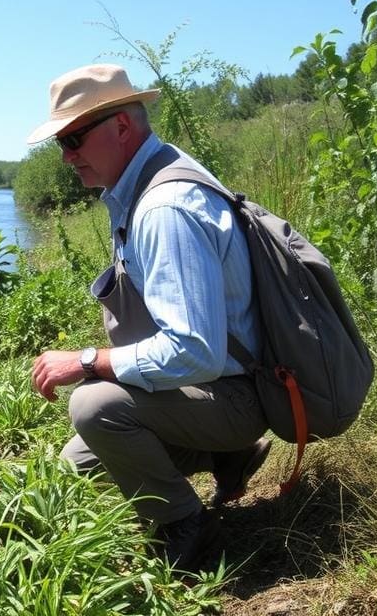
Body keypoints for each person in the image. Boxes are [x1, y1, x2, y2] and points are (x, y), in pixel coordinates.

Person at [27, 63, 271, 571]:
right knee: (77, 465)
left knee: (94, 407)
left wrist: (88, 361)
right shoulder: (139, 185)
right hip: (219, 390)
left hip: (235, 395)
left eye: (74, 138)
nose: (68, 157)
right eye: (61, 143)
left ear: (121, 127)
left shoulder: (164, 207)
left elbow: (195, 352)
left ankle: (186, 523)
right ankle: (227, 456)